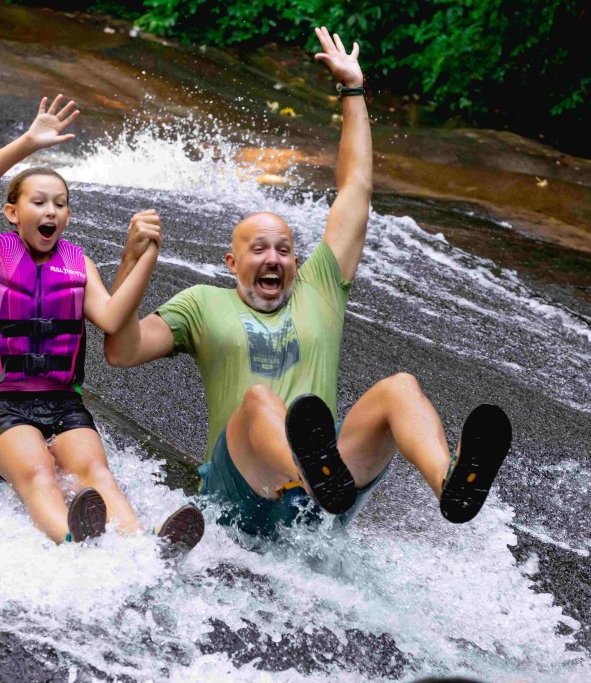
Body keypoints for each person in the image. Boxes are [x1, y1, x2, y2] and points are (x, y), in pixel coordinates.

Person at [104, 28, 512, 539]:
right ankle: (309, 477)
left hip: (327, 484)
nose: (274, 258)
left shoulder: (319, 286)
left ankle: (451, 484)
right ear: (232, 262)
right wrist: (131, 261)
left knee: (400, 389)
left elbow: (356, 190)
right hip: (241, 494)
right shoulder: (200, 304)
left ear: (297, 261)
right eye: (259, 249)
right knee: (259, 402)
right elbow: (120, 349)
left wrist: (354, 91)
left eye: (284, 249)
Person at [0, 95, 204, 551]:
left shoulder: (77, 263)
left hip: (65, 403)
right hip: (5, 406)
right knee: (38, 472)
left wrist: (147, 256)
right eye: (39, 202)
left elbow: (112, 316)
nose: (51, 211)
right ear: (12, 212)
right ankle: (72, 537)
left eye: (60, 204)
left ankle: (143, 547)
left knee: (94, 471)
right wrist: (28, 143)